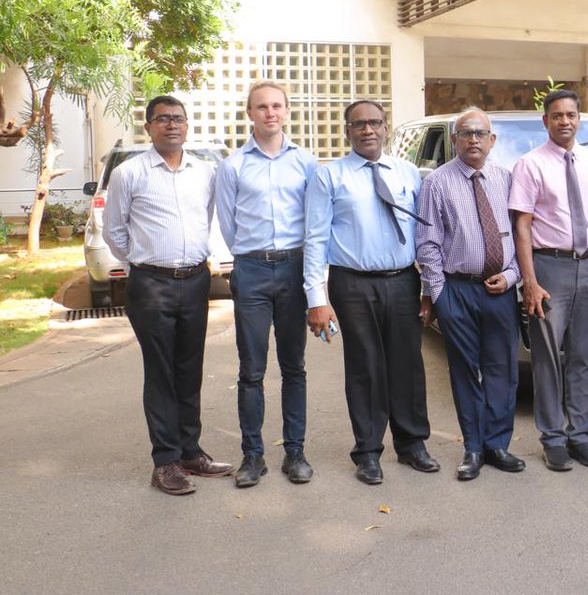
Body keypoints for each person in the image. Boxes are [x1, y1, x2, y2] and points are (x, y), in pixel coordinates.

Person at [103, 95, 233, 495]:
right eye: (162, 119)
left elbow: (210, 219)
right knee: (161, 372)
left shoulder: (205, 172)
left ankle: (190, 452)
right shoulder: (129, 173)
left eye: (178, 118)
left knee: (189, 369)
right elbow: (114, 230)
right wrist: (144, 262)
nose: (172, 124)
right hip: (151, 285)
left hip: (195, 281)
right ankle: (165, 462)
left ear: (187, 125)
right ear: (148, 127)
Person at [303, 100, 437, 485]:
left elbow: (424, 235)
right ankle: (367, 451)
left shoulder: (407, 173)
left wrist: (429, 288)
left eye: (375, 123)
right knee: (365, 367)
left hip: (403, 280)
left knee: (408, 364)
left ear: (385, 127)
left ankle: (412, 444)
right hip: (352, 283)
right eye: (359, 124)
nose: (367, 130)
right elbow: (315, 238)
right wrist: (316, 300)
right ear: (347, 130)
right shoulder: (329, 177)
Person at [216, 80, 319, 487]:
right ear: (250, 113)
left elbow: (315, 221)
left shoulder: (306, 162)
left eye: (277, 105)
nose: (270, 112)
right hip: (252, 271)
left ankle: (295, 452)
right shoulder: (233, 166)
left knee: (294, 367)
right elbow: (228, 223)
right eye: (262, 106)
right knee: (251, 369)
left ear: (287, 111)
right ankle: (253, 455)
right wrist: (251, 258)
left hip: (295, 269)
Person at [416, 109, 526, 482]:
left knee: (503, 370)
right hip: (457, 289)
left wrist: (512, 276)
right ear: (454, 140)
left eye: (480, 133)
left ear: (492, 140)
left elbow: (520, 236)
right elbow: (428, 243)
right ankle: (474, 448)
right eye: (465, 133)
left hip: (501, 290)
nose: (473, 139)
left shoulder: (506, 179)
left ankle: (497, 444)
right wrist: (439, 293)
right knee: (465, 370)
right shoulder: (437, 183)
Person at [510, 89, 588, 472]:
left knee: (585, 356)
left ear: (578, 118)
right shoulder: (530, 165)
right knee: (548, 358)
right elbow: (522, 226)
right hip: (549, 267)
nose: (564, 121)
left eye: (571, 114)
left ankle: (580, 435)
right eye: (557, 115)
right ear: (546, 121)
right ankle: (552, 438)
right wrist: (529, 281)